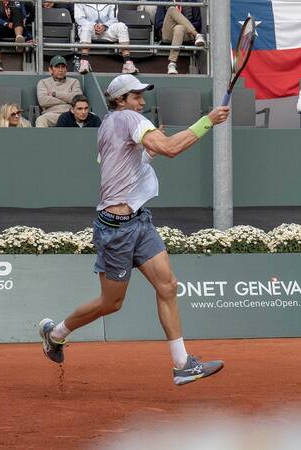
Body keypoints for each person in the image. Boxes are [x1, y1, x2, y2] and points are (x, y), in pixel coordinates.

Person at [38, 74, 230, 387]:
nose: (142, 102)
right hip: (115, 229)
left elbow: (129, 161)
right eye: (136, 96)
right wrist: (208, 121)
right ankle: (56, 333)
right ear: (120, 100)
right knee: (111, 303)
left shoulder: (109, 124)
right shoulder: (128, 119)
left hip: (140, 221)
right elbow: (169, 149)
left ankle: (182, 364)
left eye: (142, 96)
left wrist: (149, 148)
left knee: (167, 286)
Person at [74, 2, 137, 74]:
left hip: (106, 29)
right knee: (86, 27)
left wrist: (104, 26)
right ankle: (84, 62)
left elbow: (114, 19)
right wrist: (93, 25)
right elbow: (79, 19)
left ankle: (127, 63)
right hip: (88, 29)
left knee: (121, 26)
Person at [155, 0, 206, 75]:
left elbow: (198, 23)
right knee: (171, 9)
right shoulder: (164, 1)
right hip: (168, 33)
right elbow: (158, 24)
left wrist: (182, 24)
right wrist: (177, 20)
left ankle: (172, 64)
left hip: (186, 34)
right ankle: (197, 35)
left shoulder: (191, 1)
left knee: (179, 28)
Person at [36, 55, 83, 128]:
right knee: (41, 120)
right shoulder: (43, 82)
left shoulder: (74, 82)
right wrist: (67, 100)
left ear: (66, 69)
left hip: (71, 114)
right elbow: (43, 101)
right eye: (57, 67)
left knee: (92, 117)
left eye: (63, 67)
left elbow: (78, 99)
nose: (60, 70)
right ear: (50, 69)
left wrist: (55, 94)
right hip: (52, 114)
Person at [0, 0, 27, 72]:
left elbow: (23, 14)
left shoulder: (18, 1)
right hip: (2, 26)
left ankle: (19, 39)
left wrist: (23, 19)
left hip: (17, 27)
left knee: (17, 10)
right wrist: (7, 24)